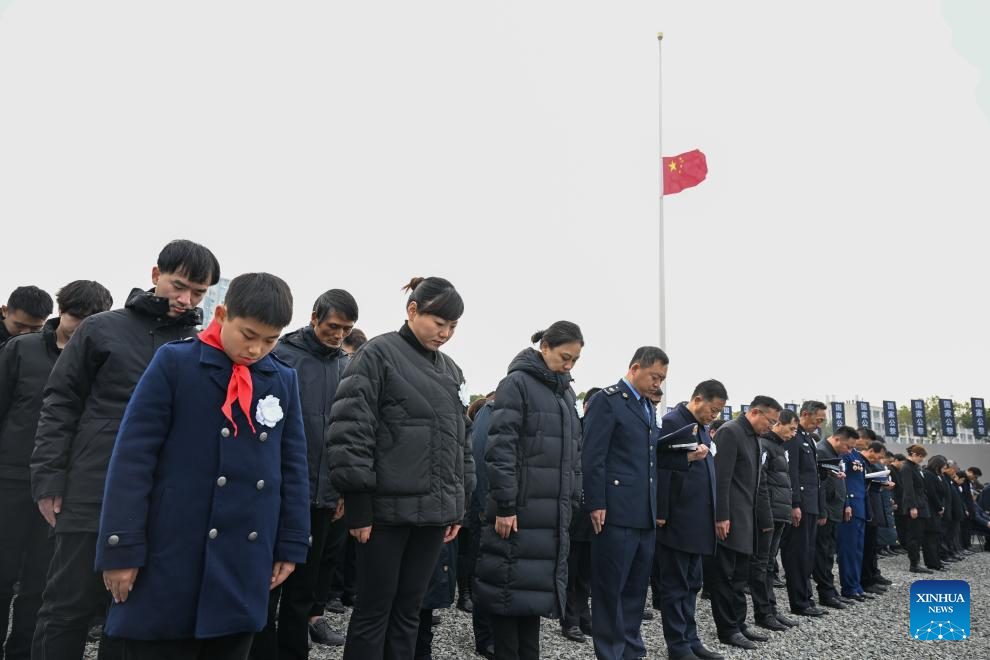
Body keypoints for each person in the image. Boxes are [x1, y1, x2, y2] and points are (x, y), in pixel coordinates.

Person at [95, 272, 310, 660]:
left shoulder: (282, 378)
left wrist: (291, 543)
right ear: (223, 314)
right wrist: (121, 548)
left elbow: (293, 467)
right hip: (173, 548)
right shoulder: (176, 363)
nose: (256, 349)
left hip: (243, 558)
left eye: (270, 339)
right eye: (248, 334)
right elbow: (132, 459)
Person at [31, 239, 220, 660]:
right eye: (179, 286)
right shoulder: (102, 328)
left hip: (157, 502)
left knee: (129, 612)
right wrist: (48, 479)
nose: (186, 300)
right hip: (89, 489)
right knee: (67, 606)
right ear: (155, 275)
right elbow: (59, 404)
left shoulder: (200, 345)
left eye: (199, 293)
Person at [327, 276, 475, 660]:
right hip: (384, 514)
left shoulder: (452, 370)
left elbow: (462, 442)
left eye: (453, 326)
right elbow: (350, 430)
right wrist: (358, 502)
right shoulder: (377, 355)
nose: (445, 333)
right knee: (374, 610)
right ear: (412, 311)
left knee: (410, 610)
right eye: (438, 323)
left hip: (433, 515)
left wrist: (459, 504)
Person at [0, 280, 112, 660]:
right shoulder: (21, 349)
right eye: (75, 316)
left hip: (64, 487)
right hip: (10, 480)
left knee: (40, 584)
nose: (81, 326)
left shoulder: (102, 357)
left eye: (90, 319)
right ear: (59, 311)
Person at [249, 289, 358, 658]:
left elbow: (348, 432)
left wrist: (342, 489)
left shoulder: (347, 366)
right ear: (314, 317)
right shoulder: (281, 355)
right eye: (333, 326)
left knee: (305, 589)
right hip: (279, 490)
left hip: (325, 496)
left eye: (347, 329)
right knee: (266, 586)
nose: (339, 334)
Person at [474, 321, 584, 660]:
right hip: (519, 512)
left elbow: (574, 453)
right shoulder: (516, 383)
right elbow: (500, 448)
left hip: (551, 513)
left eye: (575, 361)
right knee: (509, 596)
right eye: (564, 357)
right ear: (545, 347)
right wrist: (506, 505)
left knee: (532, 600)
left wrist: (574, 499)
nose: (568, 365)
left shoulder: (564, 393)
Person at [582, 347, 667, 660]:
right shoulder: (608, 400)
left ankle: (631, 649)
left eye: (662, 378)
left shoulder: (647, 407)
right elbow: (593, 456)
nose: (658, 383)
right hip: (614, 512)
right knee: (610, 590)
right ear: (635, 368)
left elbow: (647, 458)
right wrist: (596, 502)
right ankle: (610, 652)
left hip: (643, 512)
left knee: (635, 589)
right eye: (654, 376)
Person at [654, 380, 727, 660]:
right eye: (713, 408)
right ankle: (678, 646)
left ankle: (691, 639)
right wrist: (661, 511)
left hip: (698, 518)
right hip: (678, 518)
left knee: (693, 583)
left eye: (719, 411)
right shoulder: (674, 422)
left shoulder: (703, 429)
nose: (715, 415)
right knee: (675, 586)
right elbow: (662, 468)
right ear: (698, 399)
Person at [704, 397, 782, 650]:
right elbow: (720, 478)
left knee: (739, 577)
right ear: (755, 412)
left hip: (746, 520)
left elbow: (757, 484)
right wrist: (721, 516)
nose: (771, 426)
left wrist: (763, 518)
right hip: (729, 520)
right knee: (724, 577)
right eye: (770, 421)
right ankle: (727, 629)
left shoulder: (755, 439)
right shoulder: (730, 432)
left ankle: (738, 623)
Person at [749, 408, 800, 633]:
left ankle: (771, 609)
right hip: (767, 514)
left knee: (770, 564)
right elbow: (760, 482)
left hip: (780, 513)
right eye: (791, 428)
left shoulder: (780, 447)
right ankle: (763, 612)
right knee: (761, 565)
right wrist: (765, 515)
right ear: (779, 423)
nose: (793, 434)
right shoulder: (764, 445)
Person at [560, 386, 601, 645]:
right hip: (575, 510)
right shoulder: (576, 430)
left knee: (586, 571)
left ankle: (584, 616)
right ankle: (570, 619)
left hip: (593, 512)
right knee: (572, 570)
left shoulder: (599, 433)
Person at [779, 401, 828, 618]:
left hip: (811, 504)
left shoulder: (808, 439)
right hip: (801, 505)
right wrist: (795, 503)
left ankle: (807, 598)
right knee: (797, 555)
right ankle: (799, 601)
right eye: (818, 420)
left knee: (807, 554)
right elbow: (792, 473)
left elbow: (812, 476)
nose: (819, 425)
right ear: (805, 414)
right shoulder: (794, 437)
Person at [812, 426, 857, 610]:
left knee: (829, 552)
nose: (849, 451)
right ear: (838, 439)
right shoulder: (822, 451)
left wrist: (846, 503)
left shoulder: (834, 453)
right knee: (822, 554)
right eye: (848, 446)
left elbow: (840, 479)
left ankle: (831, 591)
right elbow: (820, 484)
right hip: (827, 510)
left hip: (835, 508)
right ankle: (826, 593)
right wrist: (822, 511)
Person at [469, 393, 496, 660]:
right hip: (490, 510)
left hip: (513, 509)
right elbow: (479, 458)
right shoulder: (492, 409)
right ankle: (485, 637)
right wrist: (485, 507)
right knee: (487, 573)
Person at [835, 430, 871, 602]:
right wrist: (846, 504)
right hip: (850, 506)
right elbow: (842, 480)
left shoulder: (857, 455)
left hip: (860, 506)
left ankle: (856, 585)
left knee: (857, 550)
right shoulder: (846, 454)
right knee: (848, 550)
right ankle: (849, 587)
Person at [858, 438, 892, 594]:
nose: (878, 460)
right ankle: (866, 580)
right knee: (866, 547)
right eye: (877, 456)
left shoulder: (872, 464)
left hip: (873, 507)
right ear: (871, 450)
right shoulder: (860, 461)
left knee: (871, 547)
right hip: (866, 507)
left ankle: (872, 576)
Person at [898, 444, 939, 572]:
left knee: (919, 535)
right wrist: (912, 507)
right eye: (921, 457)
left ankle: (917, 563)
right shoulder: (907, 468)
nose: (922, 460)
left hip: (921, 504)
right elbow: (908, 489)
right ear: (914, 454)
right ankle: (914, 564)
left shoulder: (915, 467)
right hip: (915, 505)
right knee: (914, 536)